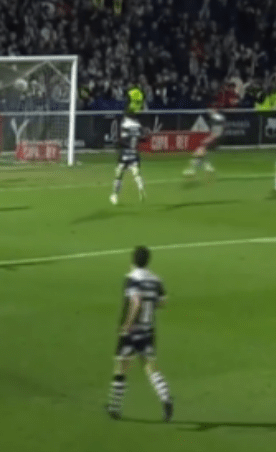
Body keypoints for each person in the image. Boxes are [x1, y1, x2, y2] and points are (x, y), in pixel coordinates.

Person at [107, 246, 173, 422]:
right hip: (148, 329)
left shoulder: (132, 278)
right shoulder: (155, 279)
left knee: (121, 365)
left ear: (133, 259)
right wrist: (150, 305)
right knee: (150, 366)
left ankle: (114, 406)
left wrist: (127, 325)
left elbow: (135, 302)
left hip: (132, 330)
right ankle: (165, 396)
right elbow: (163, 302)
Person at [110, 112, 147, 205]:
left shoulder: (125, 125)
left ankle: (115, 195)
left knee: (119, 174)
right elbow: (144, 137)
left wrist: (118, 145)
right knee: (136, 173)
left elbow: (121, 140)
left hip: (125, 153)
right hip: (134, 153)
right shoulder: (138, 125)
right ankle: (141, 187)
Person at [183, 108, 225, 176]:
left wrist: (209, 139)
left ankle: (192, 170)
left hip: (215, 138)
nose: (209, 112)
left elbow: (217, 132)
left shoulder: (216, 118)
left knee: (198, 153)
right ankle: (207, 167)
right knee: (202, 153)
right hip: (215, 138)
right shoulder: (217, 118)